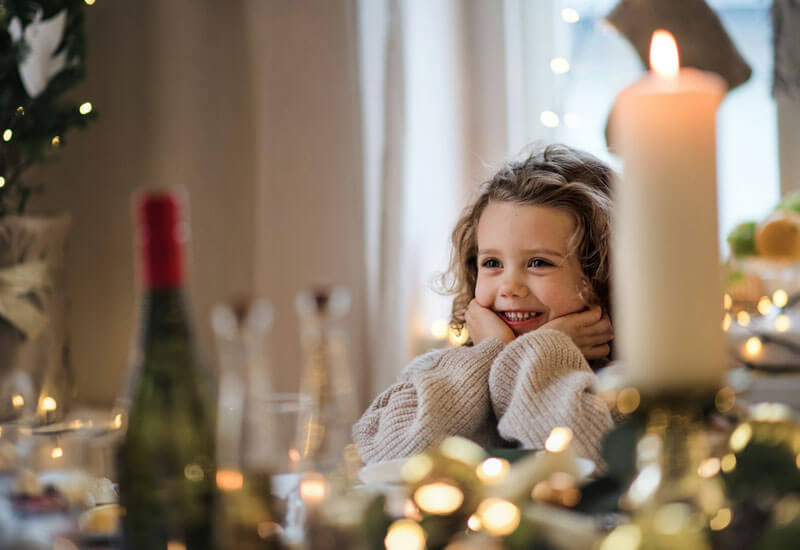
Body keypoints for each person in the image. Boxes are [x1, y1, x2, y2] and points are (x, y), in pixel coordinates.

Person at [353, 144, 616, 464]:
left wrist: (543, 351)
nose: (509, 286)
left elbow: (587, 467)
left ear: (602, 272)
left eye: (538, 262)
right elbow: (384, 459)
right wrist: (490, 350)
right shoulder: (435, 373)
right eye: (492, 263)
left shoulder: (622, 387)